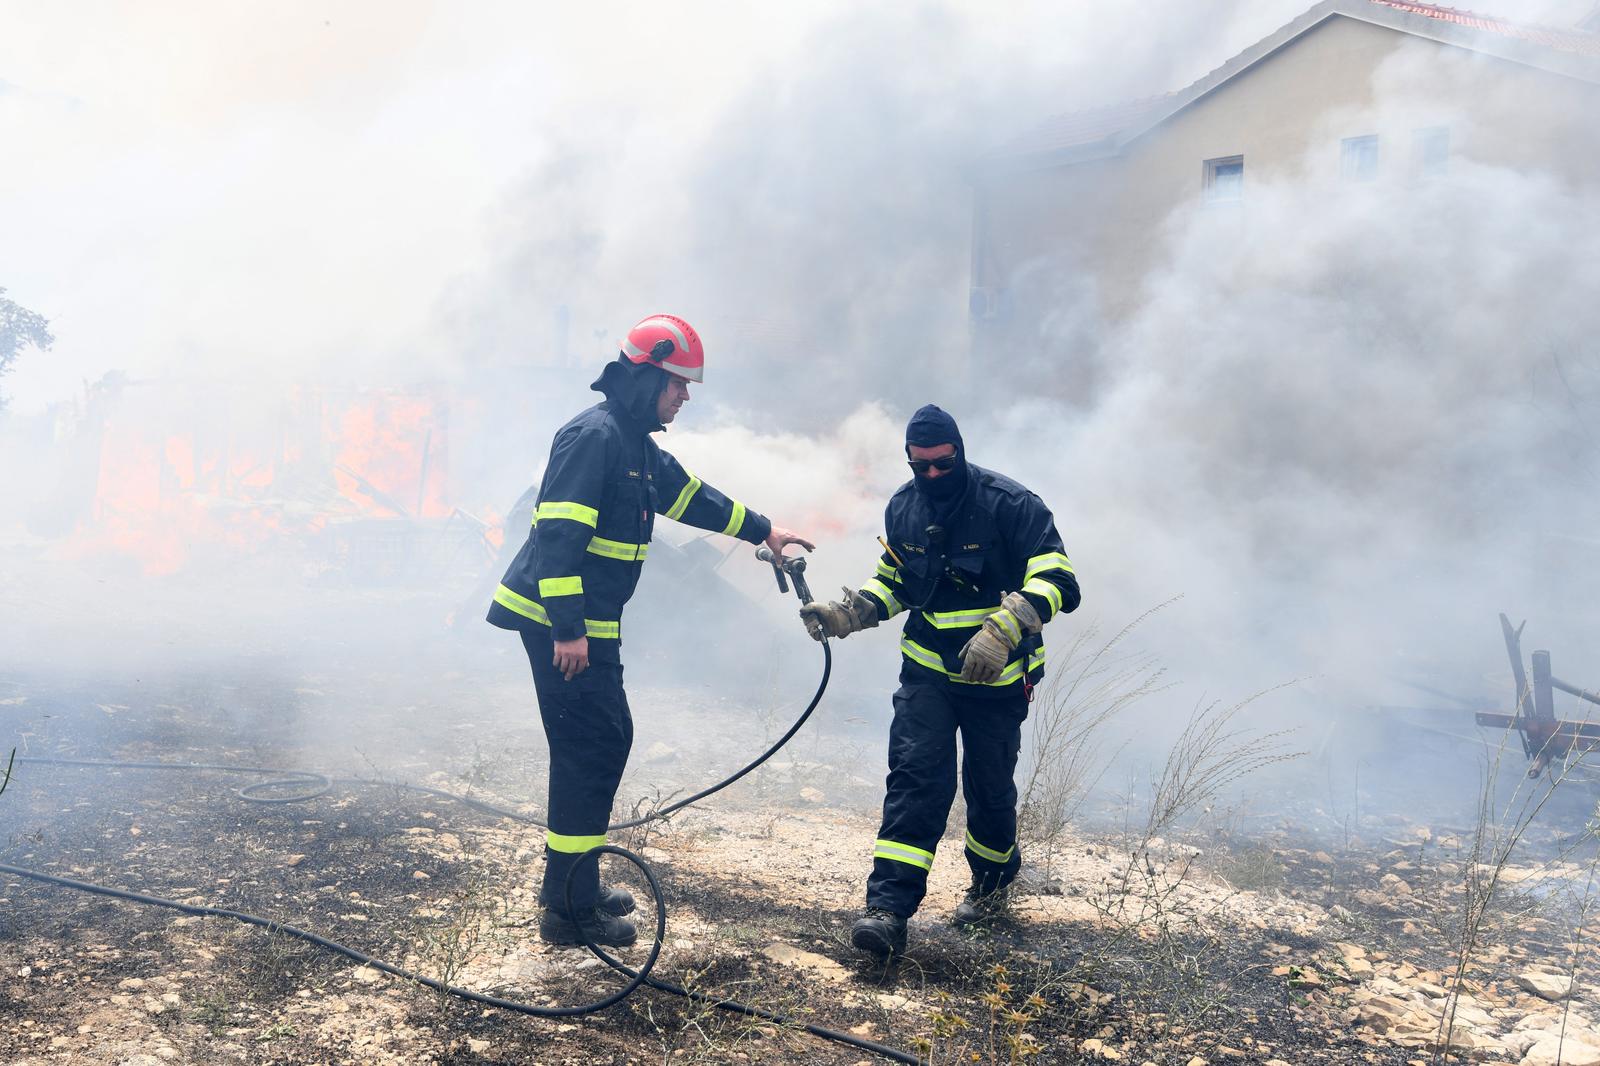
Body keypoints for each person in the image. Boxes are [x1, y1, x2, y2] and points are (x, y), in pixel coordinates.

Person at [488, 313, 813, 948]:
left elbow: (692, 497)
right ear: (647, 374)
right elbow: (558, 537)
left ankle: (572, 887)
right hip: (562, 621)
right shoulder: (593, 437)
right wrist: (569, 629)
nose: (685, 397)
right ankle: (568, 913)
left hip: (587, 622)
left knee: (603, 741)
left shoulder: (634, 443)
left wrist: (764, 531)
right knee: (593, 747)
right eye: (678, 384)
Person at [799, 404, 1079, 959]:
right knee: (916, 781)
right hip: (927, 670)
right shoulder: (903, 506)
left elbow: (1059, 579)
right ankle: (887, 911)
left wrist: (1007, 625)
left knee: (989, 790)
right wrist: (851, 613)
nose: (930, 476)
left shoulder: (1011, 504)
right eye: (919, 466)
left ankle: (992, 889)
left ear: (960, 452)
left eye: (941, 464)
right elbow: (897, 581)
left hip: (998, 678)